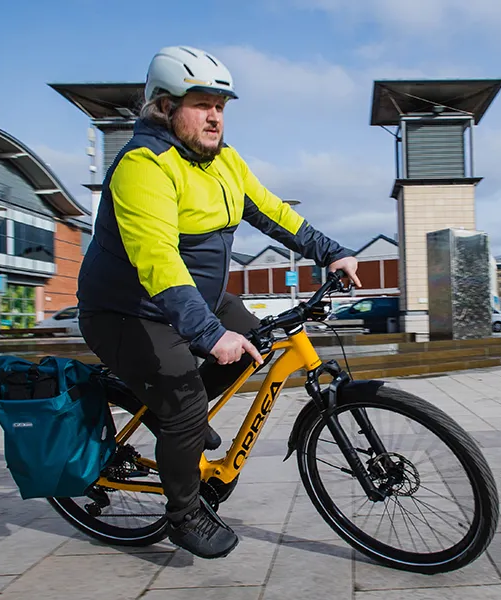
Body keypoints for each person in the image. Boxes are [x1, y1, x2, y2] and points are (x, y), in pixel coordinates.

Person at [76, 45, 360, 560]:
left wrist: (331, 252)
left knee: (256, 345)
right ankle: (183, 514)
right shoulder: (144, 166)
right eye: (201, 103)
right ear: (163, 107)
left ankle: (170, 418)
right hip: (127, 309)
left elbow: (273, 212)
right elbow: (158, 260)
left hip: (196, 298)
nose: (214, 116)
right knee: (185, 404)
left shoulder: (224, 160)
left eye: (221, 106)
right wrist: (207, 334)